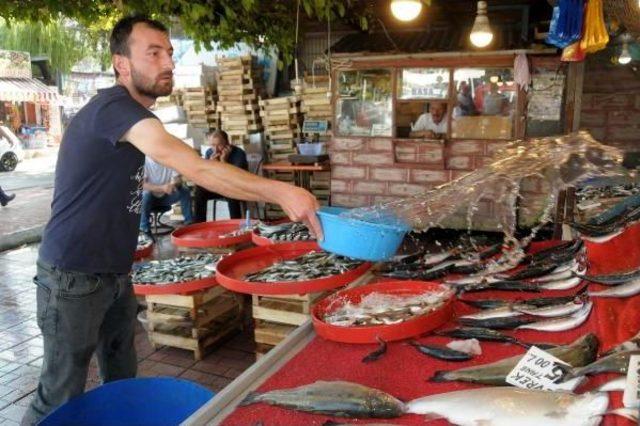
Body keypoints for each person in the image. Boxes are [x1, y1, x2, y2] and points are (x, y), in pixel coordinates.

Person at [22, 15, 322, 425]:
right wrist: (282, 191)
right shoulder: (114, 108)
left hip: (114, 273)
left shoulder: (134, 115)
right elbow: (198, 169)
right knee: (58, 394)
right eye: (154, 53)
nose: (168, 63)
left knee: (121, 381)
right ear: (121, 64)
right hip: (71, 276)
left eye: (169, 54)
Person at [194, 130, 248, 221]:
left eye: (219, 145)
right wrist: (211, 165)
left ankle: (235, 224)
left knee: (231, 193)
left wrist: (223, 162)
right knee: (199, 190)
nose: (216, 149)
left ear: (227, 143)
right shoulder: (209, 153)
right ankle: (199, 224)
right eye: (212, 145)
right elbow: (209, 177)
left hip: (236, 187)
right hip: (219, 186)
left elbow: (237, 178)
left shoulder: (239, 153)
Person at [139, 156, 193, 233]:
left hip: (166, 196)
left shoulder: (169, 160)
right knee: (145, 194)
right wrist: (162, 188)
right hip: (149, 199)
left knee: (184, 191)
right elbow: (142, 185)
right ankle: (144, 228)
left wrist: (173, 185)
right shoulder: (144, 161)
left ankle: (189, 223)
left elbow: (178, 179)